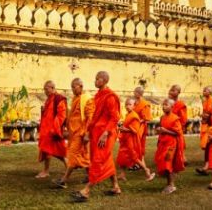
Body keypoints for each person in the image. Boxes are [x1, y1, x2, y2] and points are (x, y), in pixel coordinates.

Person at [72, 71, 121, 202]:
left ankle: (87, 190)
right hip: (96, 132)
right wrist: (88, 131)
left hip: (106, 133)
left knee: (99, 160)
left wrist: (105, 133)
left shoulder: (110, 97)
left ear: (104, 80)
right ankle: (116, 186)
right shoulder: (98, 95)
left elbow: (115, 118)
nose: (95, 81)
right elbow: (94, 116)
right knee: (106, 158)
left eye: (97, 79)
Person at [54, 78, 94, 189]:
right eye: (71, 87)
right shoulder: (76, 98)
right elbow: (72, 116)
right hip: (74, 132)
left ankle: (64, 180)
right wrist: (67, 128)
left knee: (72, 155)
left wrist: (87, 133)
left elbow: (90, 118)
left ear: (80, 86)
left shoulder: (87, 99)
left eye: (74, 87)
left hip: (81, 133)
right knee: (84, 156)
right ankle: (91, 176)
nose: (72, 89)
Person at [117, 98, 155, 182]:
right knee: (122, 157)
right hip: (125, 140)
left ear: (134, 106)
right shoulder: (128, 114)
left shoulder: (134, 116)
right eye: (126, 104)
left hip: (131, 140)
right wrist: (123, 127)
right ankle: (122, 175)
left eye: (129, 105)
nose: (127, 106)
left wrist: (124, 129)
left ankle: (146, 170)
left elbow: (135, 130)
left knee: (134, 157)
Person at [36, 80, 67, 178]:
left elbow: (62, 115)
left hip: (53, 131)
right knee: (47, 151)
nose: (45, 91)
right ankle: (46, 170)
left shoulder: (59, 98)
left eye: (46, 89)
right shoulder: (49, 99)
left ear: (52, 88)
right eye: (44, 89)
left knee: (58, 152)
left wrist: (55, 129)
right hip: (46, 131)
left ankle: (67, 168)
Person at [154, 98, 185, 194]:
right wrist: (159, 131)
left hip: (171, 145)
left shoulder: (175, 118)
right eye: (163, 105)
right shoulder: (162, 117)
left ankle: (171, 185)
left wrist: (165, 131)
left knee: (168, 164)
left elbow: (177, 133)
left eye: (166, 105)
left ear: (172, 107)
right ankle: (168, 183)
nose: (164, 107)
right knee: (164, 163)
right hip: (163, 143)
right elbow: (163, 129)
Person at [196, 87, 212, 175]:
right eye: (203, 90)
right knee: (207, 147)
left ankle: (208, 167)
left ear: (210, 92)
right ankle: (206, 166)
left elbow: (211, 113)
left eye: (205, 90)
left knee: (210, 146)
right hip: (207, 124)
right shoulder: (205, 100)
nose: (203, 92)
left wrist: (206, 116)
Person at [169, 85, 188, 165]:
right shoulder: (168, 103)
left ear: (179, 92)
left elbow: (183, 118)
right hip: (168, 126)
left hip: (177, 127)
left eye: (174, 90)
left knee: (178, 144)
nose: (172, 92)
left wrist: (181, 127)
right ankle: (170, 159)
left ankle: (182, 159)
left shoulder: (180, 104)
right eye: (171, 90)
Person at [132, 86, 152, 161]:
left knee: (139, 143)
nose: (134, 93)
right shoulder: (133, 103)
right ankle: (134, 161)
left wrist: (139, 121)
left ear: (139, 93)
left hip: (141, 126)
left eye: (135, 92)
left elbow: (147, 118)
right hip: (133, 125)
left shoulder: (144, 104)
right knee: (132, 143)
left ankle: (141, 160)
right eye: (134, 91)